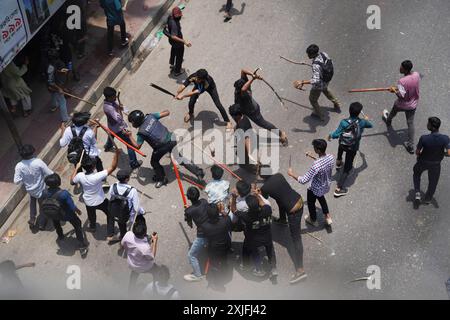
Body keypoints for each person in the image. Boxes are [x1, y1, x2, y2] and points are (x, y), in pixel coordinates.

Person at [127, 110, 204, 188]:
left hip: (161, 147)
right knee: (179, 158)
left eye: (132, 122)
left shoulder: (141, 132)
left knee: (154, 162)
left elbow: (137, 146)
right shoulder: (151, 117)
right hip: (172, 139)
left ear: (136, 122)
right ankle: (199, 172)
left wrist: (129, 136)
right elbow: (167, 112)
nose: (132, 124)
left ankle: (162, 179)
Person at [257, 172, 306, 283]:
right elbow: (277, 193)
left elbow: (263, 200)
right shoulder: (279, 175)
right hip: (298, 199)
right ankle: (283, 219)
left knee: (296, 239)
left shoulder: (265, 187)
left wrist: (258, 194)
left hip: (293, 211)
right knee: (279, 198)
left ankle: (300, 270)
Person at [70, 147, 120, 241]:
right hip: (100, 200)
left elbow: (72, 182)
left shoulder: (80, 176)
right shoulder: (97, 176)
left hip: (88, 201)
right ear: (94, 167)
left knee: (91, 214)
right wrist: (116, 154)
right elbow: (112, 167)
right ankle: (110, 234)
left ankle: (92, 227)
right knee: (110, 214)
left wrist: (76, 168)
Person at [328, 102, 373, 197]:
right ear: (359, 112)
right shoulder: (362, 122)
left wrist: (330, 136)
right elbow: (370, 125)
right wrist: (366, 120)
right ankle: (338, 188)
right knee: (347, 167)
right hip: (352, 147)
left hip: (343, 144)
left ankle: (339, 161)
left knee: (340, 146)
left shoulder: (344, 122)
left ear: (349, 111)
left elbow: (336, 134)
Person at [234, 69, 288, 146]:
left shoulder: (243, 93)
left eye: (237, 88)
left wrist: (253, 78)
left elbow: (243, 89)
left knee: (263, 124)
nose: (236, 89)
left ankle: (281, 133)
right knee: (238, 118)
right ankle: (240, 129)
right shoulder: (243, 83)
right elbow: (243, 71)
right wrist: (253, 74)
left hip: (252, 111)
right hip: (242, 109)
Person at [288, 139, 334, 228]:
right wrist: (312, 157)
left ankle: (313, 220)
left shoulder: (316, 165)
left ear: (318, 150)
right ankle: (327, 216)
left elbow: (303, 180)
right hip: (325, 185)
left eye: (314, 148)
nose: (314, 149)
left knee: (311, 203)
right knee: (321, 199)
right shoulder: (330, 157)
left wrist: (291, 174)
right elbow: (323, 163)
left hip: (315, 188)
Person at [42, 173, 88, 257]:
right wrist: (78, 211)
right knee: (77, 225)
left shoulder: (44, 193)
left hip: (54, 213)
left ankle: (60, 236)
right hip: (67, 215)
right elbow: (72, 207)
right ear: (58, 183)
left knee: (56, 224)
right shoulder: (64, 194)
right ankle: (82, 245)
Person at [233, 194, 277, 280]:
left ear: (248, 206)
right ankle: (273, 268)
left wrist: (234, 198)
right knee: (270, 251)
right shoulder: (267, 209)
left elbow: (234, 210)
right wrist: (257, 195)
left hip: (254, 240)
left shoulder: (246, 216)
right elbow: (263, 203)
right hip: (267, 236)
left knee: (255, 253)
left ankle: (259, 270)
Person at [293, 44, 341, 121]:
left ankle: (320, 115)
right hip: (327, 79)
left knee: (312, 99)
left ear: (313, 54)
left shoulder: (316, 65)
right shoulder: (324, 54)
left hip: (319, 84)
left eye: (309, 54)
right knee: (325, 90)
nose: (308, 55)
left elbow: (316, 80)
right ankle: (336, 103)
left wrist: (302, 82)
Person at [383, 60, 421, 154]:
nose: (399, 68)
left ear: (405, 69)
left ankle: (388, 121)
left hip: (402, 104)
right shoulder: (416, 74)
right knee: (410, 123)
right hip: (413, 105)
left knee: (393, 111)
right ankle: (411, 145)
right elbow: (418, 79)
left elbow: (401, 96)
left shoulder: (402, 81)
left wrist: (394, 91)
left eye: (401, 67)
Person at [14, 144, 53, 231]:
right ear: (32, 152)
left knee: (32, 203)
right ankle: (41, 224)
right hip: (41, 190)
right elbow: (50, 173)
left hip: (30, 190)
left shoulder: (19, 166)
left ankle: (32, 218)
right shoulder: (38, 162)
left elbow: (16, 181)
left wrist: (24, 179)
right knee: (42, 206)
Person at [413, 117, 450, 208]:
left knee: (416, 174)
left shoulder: (424, 138)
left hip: (423, 162)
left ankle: (417, 192)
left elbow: (417, 152)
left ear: (432, 127)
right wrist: (443, 154)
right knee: (433, 182)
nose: (427, 125)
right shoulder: (445, 138)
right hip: (435, 164)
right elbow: (449, 153)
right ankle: (428, 199)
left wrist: (419, 155)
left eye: (428, 123)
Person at [103, 87, 142, 170]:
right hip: (119, 128)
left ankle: (108, 146)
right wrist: (119, 110)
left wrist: (123, 109)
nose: (115, 97)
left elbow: (120, 106)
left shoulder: (111, 102)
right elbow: (119, 119)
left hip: (112, 127)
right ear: (109, 97)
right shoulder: (109, 108)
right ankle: (134, 163)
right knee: (130, 144)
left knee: (111, 135)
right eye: (114, 96)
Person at [121, 215, 158, 293]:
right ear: (145, 233)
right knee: (157, 271)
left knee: (134, 275)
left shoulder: (128, 234)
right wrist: (154, 242)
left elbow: (123, 244)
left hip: (132, 263)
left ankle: (130, 291)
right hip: (143, 266)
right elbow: (151, 257)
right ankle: (156, 288)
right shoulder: (145, 247)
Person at [201, 204, 233, 291]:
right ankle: (224, 270)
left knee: (214, 265)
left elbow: (204, 236)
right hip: (225, 246)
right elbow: (229, 221)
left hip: (214, 250)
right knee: (223, 260)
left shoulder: (205, 226)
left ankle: (219, 284)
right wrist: (223, 211)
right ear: (218, 212)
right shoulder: (225, 221)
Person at [108, 169, 145, 240]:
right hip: (129, 214)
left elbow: (110, 197)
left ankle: (123, 236)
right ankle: (141, 235)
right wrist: (142, 211)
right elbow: (136, 208)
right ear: (127, 179)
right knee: (140, 220)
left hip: (118, 212)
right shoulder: (132, 191)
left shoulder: (113, 186)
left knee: (121, 225)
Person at [183, 187, 209, 282]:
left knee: (191, 255)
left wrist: (187, 211)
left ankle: (198, 275)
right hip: (211, 228)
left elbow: (190, 225)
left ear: (189, 198)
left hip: (202, 234)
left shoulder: (189, 211)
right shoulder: (204, 201)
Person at [166, 7, 191, 76]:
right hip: (177, 43)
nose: (181, 16)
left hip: (171, 41)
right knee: (179, 56)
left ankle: (172, 63)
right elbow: (174, 36)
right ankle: (177, 71)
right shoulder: (174, 24)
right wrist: (184, 41)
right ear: (176, 16)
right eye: (179, 15)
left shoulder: (170, 17)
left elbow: (167, 26)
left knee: (173, 50)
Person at [47, 50, 70, 123]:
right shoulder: (51, 67)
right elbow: (50, 82)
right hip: (55, 86)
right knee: (62, 101)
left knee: (53, 95)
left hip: (55, 86)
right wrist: (59, 88)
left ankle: (54, 106)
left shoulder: (57, 63)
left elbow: (60, 71)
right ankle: (65, 118)